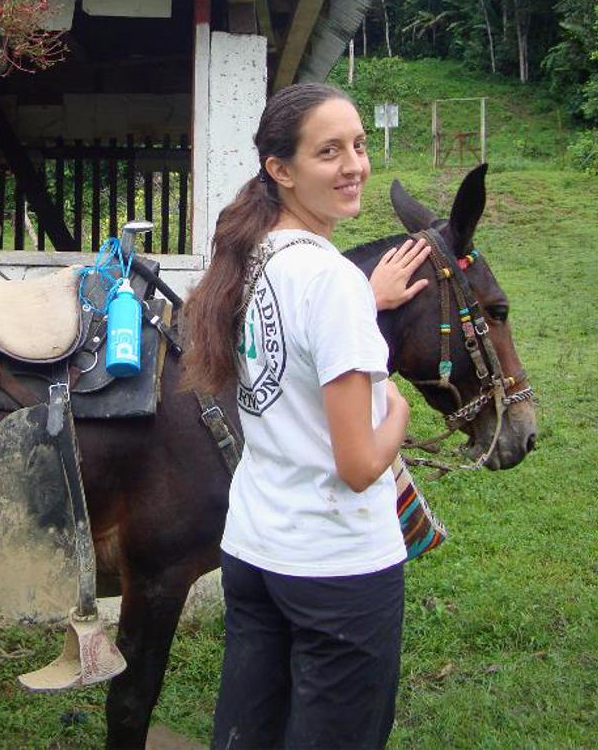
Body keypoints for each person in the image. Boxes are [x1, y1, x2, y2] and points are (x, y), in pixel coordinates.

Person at [182, 82, 431, 750]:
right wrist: (399, 411)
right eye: (329, 152)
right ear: (281, 169)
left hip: (255, 548)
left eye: (359, 145)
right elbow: (359, 466)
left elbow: (292, 344)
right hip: (337, 569)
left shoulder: (250, 257)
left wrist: (363, 300)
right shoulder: (331, 283)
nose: (355, 166)